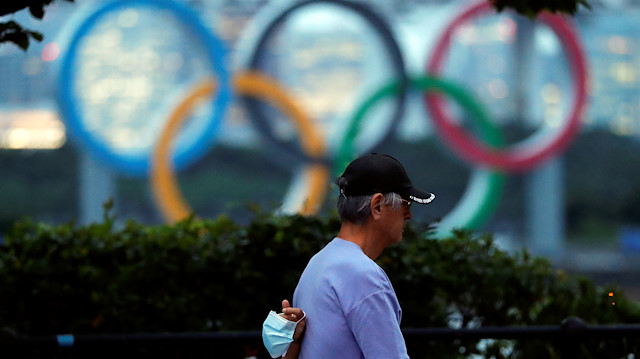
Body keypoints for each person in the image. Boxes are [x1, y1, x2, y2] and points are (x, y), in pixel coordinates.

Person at [289, 153, 435, 358]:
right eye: (406, 203)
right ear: (377, 206)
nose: (408, 214)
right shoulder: (363, 274)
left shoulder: (318, 262)